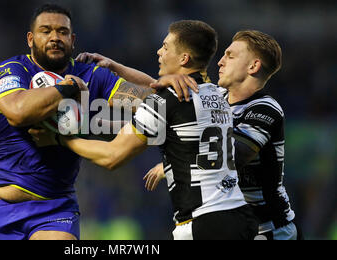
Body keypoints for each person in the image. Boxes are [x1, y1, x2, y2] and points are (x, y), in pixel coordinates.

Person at [0, 3, 194, 240]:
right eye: (45, 31)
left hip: (55, 208)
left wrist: (168, 84)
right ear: (30, 39)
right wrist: (66, 88)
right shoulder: (10, 71)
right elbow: (18, 112)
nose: (54, 37)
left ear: (73, 39)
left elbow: (153, 104)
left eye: (62, 32)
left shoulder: (91, 75)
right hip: (0, 205)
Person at [34, 20, 259, 240]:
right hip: (240, 214)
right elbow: (158, 93)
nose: (159, 51)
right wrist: (114, 67)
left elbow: (112, 156)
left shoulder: (168, 101)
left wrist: (59, 139)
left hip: (203, 224)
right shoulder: (218, 96)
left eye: (166, 47)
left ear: (184, 58)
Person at [216, 30, 299, 240]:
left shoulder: (265, 108)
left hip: (270, 230)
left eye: (230, 56)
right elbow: (161, 98)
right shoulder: (215, 99)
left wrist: (180, 152)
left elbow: (235, 156)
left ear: (253, 66)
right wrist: (118, 74)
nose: (220, 62)